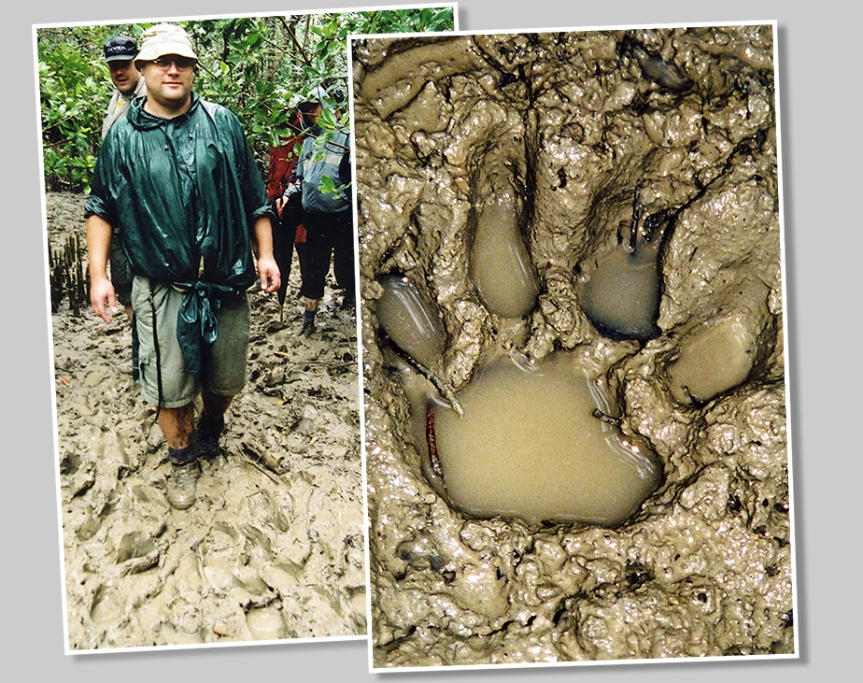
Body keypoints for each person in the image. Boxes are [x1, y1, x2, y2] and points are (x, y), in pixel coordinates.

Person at [85, 24, 280, 510]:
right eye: (162, 61)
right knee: (171, 388)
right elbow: (101, 208)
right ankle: (183, 459)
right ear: (143, 68)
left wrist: (267, 254)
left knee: (226, 379)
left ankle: (213, 424)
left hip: (225, 280)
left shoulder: (223, 124)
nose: (173, 69)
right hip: (162, 286)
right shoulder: (123, 138)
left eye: (184, 61)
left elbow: (255, 196)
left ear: (193, 69)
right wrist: (99, 274)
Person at [279, 93, 354, 337]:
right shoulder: (310, 140)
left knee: (346, 269)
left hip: (343, 217)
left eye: (315, 108)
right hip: (315, 216)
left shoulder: (347, 136)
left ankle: (352, 300)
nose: (311, 114)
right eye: (307, 110)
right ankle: (309, 319)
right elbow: (300, 177)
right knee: (313, 269)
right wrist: (290, 194)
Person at [101, 34, 147, 379]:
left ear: (140, 64)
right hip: (118, 215)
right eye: (114, 66)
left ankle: (150, 354)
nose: (120, 72)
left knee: (151, 288)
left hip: (146, 217)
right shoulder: (116, 99)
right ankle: (140, 351)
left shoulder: (152, 99)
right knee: (126, 286)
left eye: (125, 65)